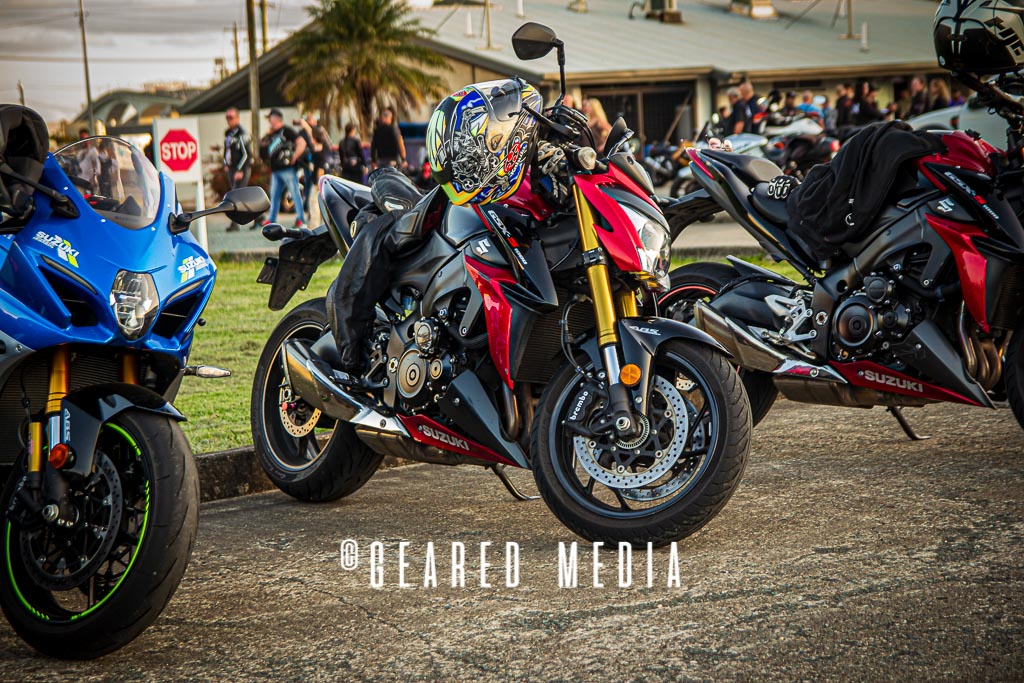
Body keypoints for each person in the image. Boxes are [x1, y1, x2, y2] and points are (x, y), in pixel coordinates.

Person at [259, 108, 306, 229]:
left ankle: (301, 219)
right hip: (276, 170)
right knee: (274, 195)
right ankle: (272, 219)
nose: (269, 121)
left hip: (287, 169)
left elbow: (302, 142)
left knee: (294, 193)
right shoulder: (271, 133)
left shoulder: (287, 131)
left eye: (270, 118)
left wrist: (295, 156)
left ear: (276, 118)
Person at [223, 107, 253, 231]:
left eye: (231, 117)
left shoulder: (242, 133)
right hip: (231, 169)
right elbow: (227, 149)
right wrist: (225, 163)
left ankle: (235, 224)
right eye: (227, 117)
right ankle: (260, 218)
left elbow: (246, 154)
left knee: (235, 197)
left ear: (237, 118)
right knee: (242, 197)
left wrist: (240, 170)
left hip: (241, 170)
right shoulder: (228, 133)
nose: (228, 120)